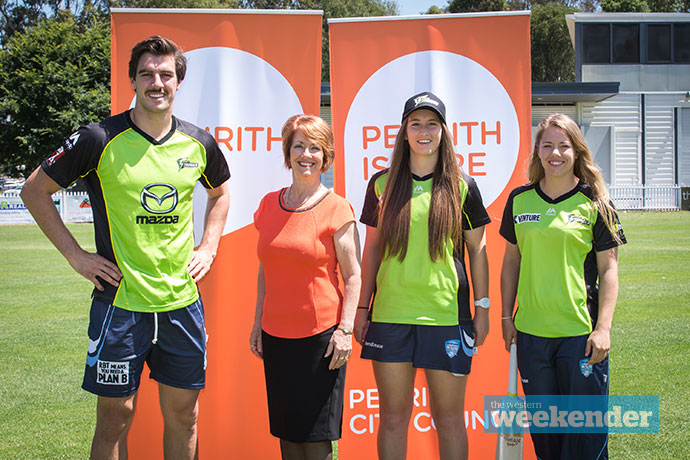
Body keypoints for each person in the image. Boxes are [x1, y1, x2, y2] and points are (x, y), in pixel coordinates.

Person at [20, 36, 230, 460]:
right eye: (148, 74)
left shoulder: (199, 143)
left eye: (166, 75)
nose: (157, 82)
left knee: (185, 417)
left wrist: (208, 245)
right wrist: (76, 256)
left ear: (178, 82)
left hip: (180, 304)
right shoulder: (99, 138)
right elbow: (34, 191)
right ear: (132, 79)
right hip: (120, 303)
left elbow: (221, 193)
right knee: (115, 418)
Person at [354, 92, 491, 460]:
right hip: (390, 316)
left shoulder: (463, 185)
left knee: (448, 419)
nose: (424, 131)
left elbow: (477, 250)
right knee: (394, 418)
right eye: (415, 123)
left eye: (432, 123)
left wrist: (483, 308)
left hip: (447, 317)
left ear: (444, 132)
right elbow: (372, 250)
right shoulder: (381, 184)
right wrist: (362, 308)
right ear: (403, 132)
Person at [499, 113, 626, 460]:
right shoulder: (520, 199)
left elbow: (609, 268)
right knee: (547, 437)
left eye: (563, 145)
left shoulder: (596, 203)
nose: (555, 153)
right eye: (547, 145)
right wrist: (505, 318)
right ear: (538, 151)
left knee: (585, 437)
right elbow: (511, 262)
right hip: (532, 336)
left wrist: (603, 328)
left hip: (580, 337)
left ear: (577, 151)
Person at [249, 114, 361, 460]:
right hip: (276, 336)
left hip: (321, 339)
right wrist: (257, 324)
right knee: (287, 433)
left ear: (326, 156)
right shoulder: (268, 204)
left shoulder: (336, 207)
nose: (306, 154)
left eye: (315, 148)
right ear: (288, 153)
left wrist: (345, 330)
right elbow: (267, 269)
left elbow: (354, 275)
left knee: (315, 439)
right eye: (299, 146)